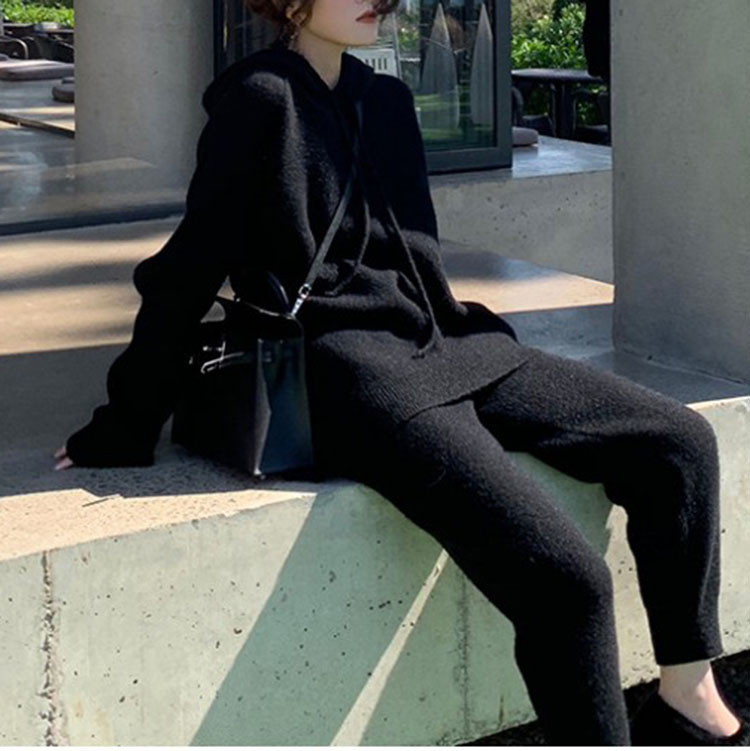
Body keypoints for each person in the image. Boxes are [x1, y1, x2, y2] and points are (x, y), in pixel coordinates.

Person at [53, 0, 749, 745]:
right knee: (567, 584)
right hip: (350, 373)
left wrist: (459, 335)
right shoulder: (259, 100)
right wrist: (127, 420)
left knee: (678, 443)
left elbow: (415, 257)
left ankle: (686, 696)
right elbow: (191, 266)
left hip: (439, 341)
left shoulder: (384, 99)